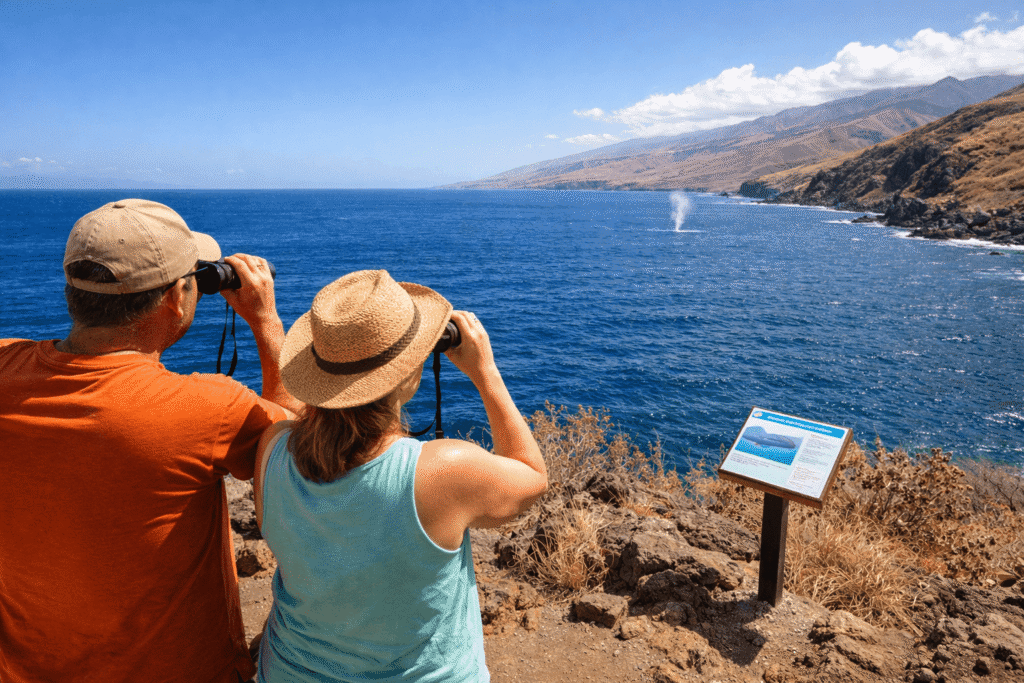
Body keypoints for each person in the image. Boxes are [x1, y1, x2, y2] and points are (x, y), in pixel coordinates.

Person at [0, 199, 302, 683]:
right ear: (177, 299)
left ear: (72, 291)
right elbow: (299, 443)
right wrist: (265, 321)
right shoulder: (209, 409)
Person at [253, 269, 548, 682]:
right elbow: (532, 479)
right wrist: (485, 372)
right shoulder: (443, 470)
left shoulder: (271, 451)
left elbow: (304, 424)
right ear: (409, 375)